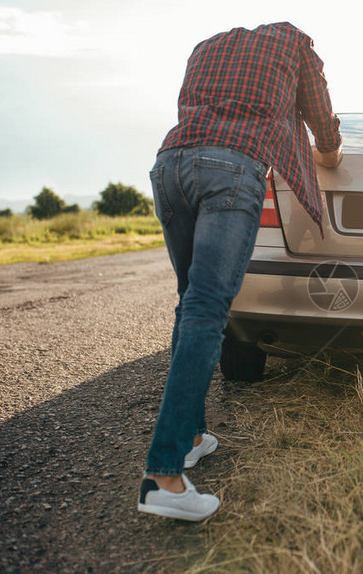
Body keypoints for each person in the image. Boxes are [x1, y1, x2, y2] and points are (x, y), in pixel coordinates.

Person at [138, 22, 342, 521]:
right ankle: (163, 476)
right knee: (208, 310)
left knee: (191, 303)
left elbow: (188, 105)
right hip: (231, 169)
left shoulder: (204, 47)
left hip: (170, 164)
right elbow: (321, 117)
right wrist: (330, 153)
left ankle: (188, 438)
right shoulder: (295, 44)